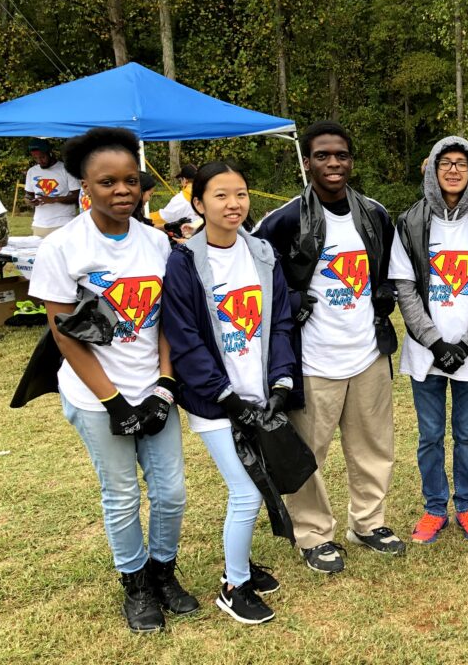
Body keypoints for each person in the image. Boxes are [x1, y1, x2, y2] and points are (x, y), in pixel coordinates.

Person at [28, 127, 195, 633]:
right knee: (121, 495)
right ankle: (137, 584)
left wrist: (164, 386)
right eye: (107, 182)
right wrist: (114, 402)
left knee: (171, 492)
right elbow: (64, 335)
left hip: (152, 391)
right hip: (97, 396)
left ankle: (164, 572)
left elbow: (169, 317)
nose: (121, 190)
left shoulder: (158, 243)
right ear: (84, 185)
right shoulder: (63, 247)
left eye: (130, 180)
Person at [254, 120, 404, 573]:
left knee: (373, 446)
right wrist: (289, 301)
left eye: (341, 155)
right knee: (308, 453)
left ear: (351, 161)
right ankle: (314, 534)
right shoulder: (281, 220)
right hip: (313, 358)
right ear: (307, 162)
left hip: (366, 354)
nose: (333, 163)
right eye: (323, 155)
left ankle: (369, 521)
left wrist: (384, 295)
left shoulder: (374, 214)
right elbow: (255, 276)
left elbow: (388, 272)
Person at [162, 162, 295, 625]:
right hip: (213, 401)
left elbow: (278, 322)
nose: (233, 204)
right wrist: (226, 397)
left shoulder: (261, 251)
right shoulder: (183, 262)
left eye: (240, 194)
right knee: (245, 492)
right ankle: (233, 585)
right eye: (220, 196)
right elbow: (184, 339)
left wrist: (280, 382)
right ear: (198, 204)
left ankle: (243, 566)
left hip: (258, 394)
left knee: (259, 480)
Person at [390, 137, 468, 544]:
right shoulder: (410, 222)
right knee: (429, 435)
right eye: (446, 163)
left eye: (462, 163)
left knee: (467, 435)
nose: (454, 170)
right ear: (432, 169)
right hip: (426, 355)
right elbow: (405, 288)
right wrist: (435, 342)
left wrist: (467, 342)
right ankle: (434, 507)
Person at [23, 138, 81, 237]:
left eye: (42, 157)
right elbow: (28, 195)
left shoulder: (66, 169)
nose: (39, 161)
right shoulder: (32, 171)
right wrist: (29, 201)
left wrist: (53, 199)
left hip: (63, 224)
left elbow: (77, 196)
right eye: (35, 158)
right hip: (39, 224)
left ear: (50, 153)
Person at [152, 164, 199, 228]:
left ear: (185, 180)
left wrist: (144, 217)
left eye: (181, 180)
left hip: (187, 235)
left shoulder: (181, 199)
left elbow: (163, 218)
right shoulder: (207, 194)